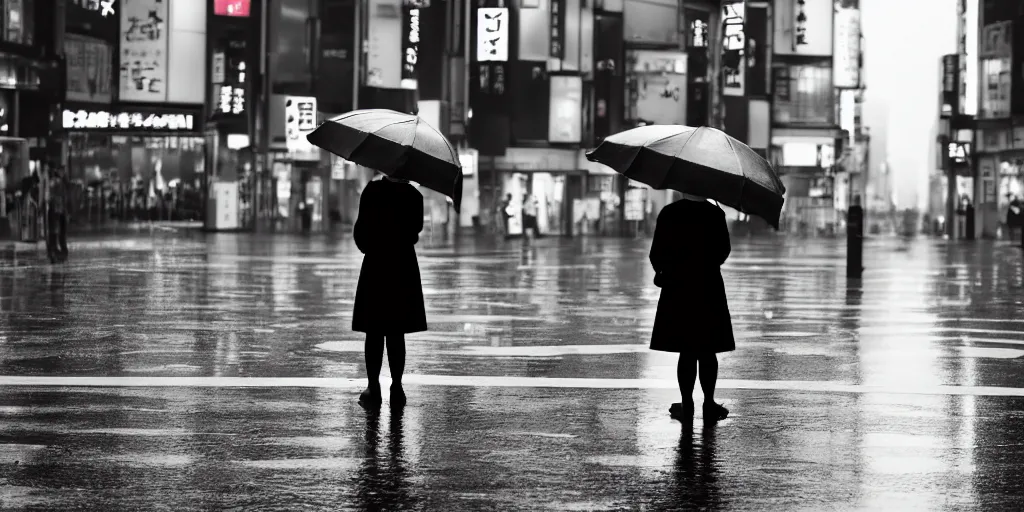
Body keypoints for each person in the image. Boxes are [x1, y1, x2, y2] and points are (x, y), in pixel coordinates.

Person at [649, 193, 733, 424]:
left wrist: (666, 269)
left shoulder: (669, 213)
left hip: (678, 287)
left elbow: (656, 253)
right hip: (708, 287)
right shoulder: (715, 214)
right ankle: (709, 402)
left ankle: (687, 403)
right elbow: (723, 251)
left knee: (686, 349)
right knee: (707, 348)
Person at [352, 172, 427, 409]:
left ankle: (373, 386)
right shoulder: (414, 196)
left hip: (376, 265)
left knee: (374, 331)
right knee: (396, 331)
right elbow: (415, 232)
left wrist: (371, 246)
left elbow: (360, 231)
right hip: (402, 267)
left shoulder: (372, 191)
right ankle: (396, 386)